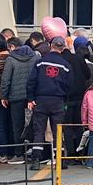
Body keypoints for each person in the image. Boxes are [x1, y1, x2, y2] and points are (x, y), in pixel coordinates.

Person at [26, 36, 73, 167]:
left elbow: (31, 82)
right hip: (58, 101)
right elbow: (70, 85)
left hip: (41, 100)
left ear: (51, 45)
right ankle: (60, 162)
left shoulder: (40, 63)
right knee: (58, 131)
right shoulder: (66, 66)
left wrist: (31, 98)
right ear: (63, 48)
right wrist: (64, 99)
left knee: (39, 130)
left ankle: (36, 160)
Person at [0, 37, 38, 163]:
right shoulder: (35, 57)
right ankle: (33, 151)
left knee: (17, 126)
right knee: (33, 124)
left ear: (12, 46)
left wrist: (4, 96)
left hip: (16, 97)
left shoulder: (10, 59)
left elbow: (6, 79)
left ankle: (19, 153)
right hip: (32, 97)